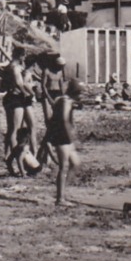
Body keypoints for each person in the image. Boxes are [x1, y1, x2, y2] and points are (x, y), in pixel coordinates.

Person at [47, 78, 82, 206]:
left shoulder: (65, 100)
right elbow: (64, 120)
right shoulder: (65, 102)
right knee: (64, 166)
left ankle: (62, 192)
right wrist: (71, 136)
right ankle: (60, 198)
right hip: (62, 136)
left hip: (65, 136)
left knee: (76, 163)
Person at [0, 52, 36, 174]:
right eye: (23, 55)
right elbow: (20, 83)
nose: (24, 57)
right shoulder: (15, 67)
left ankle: (9, 156)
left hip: (9, 97)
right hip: (15, 98)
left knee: (12, 129)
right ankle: (16, 157)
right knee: (15, 129)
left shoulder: (8, 67)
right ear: (20, 56)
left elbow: (2, 87)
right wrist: (27, 93)